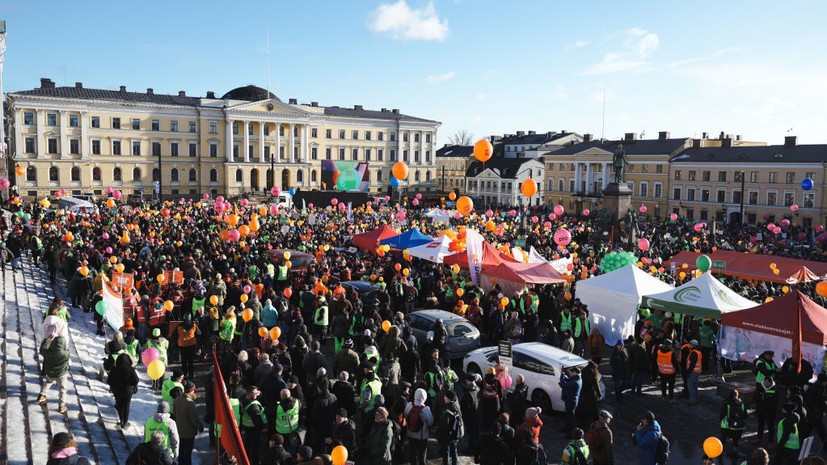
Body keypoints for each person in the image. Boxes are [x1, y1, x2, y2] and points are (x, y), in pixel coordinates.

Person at [38, 324, 70, 414]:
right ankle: (62, 406)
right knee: (62, 389)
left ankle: (42, 395)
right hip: (61, 375)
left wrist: (48, 339)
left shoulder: (48, 353)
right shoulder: (66, 353)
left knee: (48, 382)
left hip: (50, 373)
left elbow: (42, 349)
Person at [173, 381, 203, 465]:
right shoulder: (191, 403)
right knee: (188, 452)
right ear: (191, 391)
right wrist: (199, 427)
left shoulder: (177, 400)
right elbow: (194, 419)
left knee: (181, 450)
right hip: (189, 433)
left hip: (179, 430)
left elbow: (175, 414)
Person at [108, 352, 139, 427]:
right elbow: (136, 380)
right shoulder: (130, 369)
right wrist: (132, 385)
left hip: (117, 390)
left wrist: (113, 386)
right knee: (126, 405)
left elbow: (109, 380)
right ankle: (125, 422)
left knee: (119, 404)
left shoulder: (115, 369)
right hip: (127, 390)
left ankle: (121, 419)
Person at [405, 388, 435, 465]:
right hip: (422, 436)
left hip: (410, 433)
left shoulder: (409, 405)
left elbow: (406, 415)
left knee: (412, 452)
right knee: (422, 454)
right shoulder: (426, 409)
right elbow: (431, 422)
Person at [240, 386, 267, 465]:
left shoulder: (244, 399)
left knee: (247, 446)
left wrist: (258, 393)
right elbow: (258, 421)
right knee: (255, 449)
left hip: (247, 427)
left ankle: (245, 460)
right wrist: (262, 427)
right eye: (255, 393)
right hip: (255, 429)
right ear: (250, 393)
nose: (257, 394)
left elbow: (255, 396)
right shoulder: (254, 407)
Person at [438, 391, 463, 465]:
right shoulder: (457, 406)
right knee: (454, 451)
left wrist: (440, 436)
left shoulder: (446, 411)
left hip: (447, 436)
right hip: (455, 434)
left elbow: (443, 426)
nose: (444, 398)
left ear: (448, 398)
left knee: (446, 453)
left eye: (445, 396)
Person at [719, 389, 747, 458]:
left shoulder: (726, 403)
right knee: (735, 440)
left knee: (723, 439)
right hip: (738, 427)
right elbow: (745, 415)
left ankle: (719, 452)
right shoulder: (741, 404)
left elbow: (722, 415)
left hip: (727, 426)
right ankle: (734, 453)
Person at [754, 378, 779, 446]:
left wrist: (768, 406)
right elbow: (755, 397)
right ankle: (759, 438)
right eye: (764, 381)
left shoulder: (775, 390)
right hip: (760, 410)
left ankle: (770, 442)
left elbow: (776, 401)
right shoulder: (760, 388)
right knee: (760, 425)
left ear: (770, 383)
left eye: (767, 382)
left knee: (770, 427)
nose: (765, 383)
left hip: (770, 412)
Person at [560, 366, 582, 436]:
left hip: (571, 401)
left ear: (575, 373)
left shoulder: (576, 382)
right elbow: (569, 381)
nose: (571, 373)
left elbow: (564, 385)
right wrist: (566, 378)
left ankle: (571, 433)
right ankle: (567, 428)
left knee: (571, 417)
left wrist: (562, 376)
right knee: (568, 416)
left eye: (572, 372)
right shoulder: (577, 379)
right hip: (570, 399)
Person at [685, 339, 703, 405]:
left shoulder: (694, 353)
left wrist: (688, 372)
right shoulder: (698, 352)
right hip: (697, 371)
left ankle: (693, 400)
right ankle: (695, 398)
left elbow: (692, 364)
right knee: (694, 385)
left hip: (693, 372)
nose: (689, 345)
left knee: (691, 386)